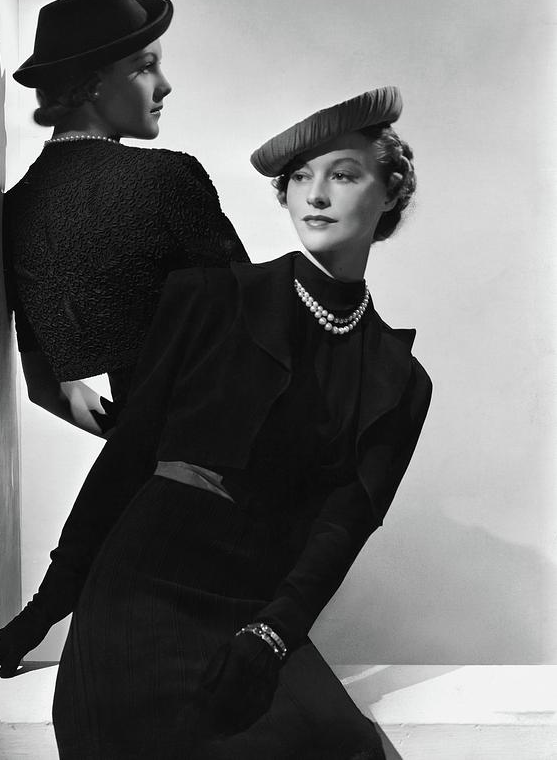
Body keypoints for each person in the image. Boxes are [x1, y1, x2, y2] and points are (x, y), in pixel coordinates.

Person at [45, 86, 433, 759]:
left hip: (254, 603)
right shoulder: (209, 297)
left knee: (345, 747)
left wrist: (273, 634)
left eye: (342, 175)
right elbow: (131, 453)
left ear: (391, 191)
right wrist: (54, 591)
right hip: (144, 583)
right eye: (299, 180)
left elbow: (340, 530)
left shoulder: (400, 382)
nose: (315, 196)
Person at [0, 0, 248, 674]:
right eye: (145, 66)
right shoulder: (167, 179)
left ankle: (39, 617)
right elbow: (257, 329)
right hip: (226, 476)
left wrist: (146, 444)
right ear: (92, 84)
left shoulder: (18, 213)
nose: (165, 83)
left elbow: (54, 392)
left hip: (163, 482)